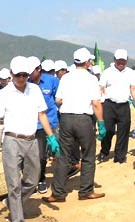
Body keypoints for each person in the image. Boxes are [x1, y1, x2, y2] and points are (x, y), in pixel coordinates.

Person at [0, 56, 60, 222]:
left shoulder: (35, 90)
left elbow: (42, 114)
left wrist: (51, 137)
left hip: (31, 140)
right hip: (11, 140)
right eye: (18, 75)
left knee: (32, 181)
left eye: (25, 75)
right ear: (11, 75)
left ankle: (11, 202)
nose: (22, 79)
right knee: (14, 183)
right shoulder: (3, 94)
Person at [45, 47, 106, 203]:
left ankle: (58, 193)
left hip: (66, 118)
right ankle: (85, 191)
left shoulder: (65, 78)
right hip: (83, 119)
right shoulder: (91, 79)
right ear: (86, 62)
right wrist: (101, 123)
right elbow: (96, 104)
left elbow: (58, 100)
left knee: (64, 156)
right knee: (88, 155)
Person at [27, 56, 60, 194]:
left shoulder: (52, 81)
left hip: (46, 124)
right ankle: (30, 180)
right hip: (28, 124)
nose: (28, 74)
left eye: (31, 71)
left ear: (39, 69)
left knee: (41, 155)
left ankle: (41, 180)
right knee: (29, 156)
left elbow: (59, 99)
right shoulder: (25, 83)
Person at [98, 49, 134, 164]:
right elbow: (101, 88)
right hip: (109, 105)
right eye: (119, 60)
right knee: (108, 130)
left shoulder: (130, 73)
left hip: (124, 105)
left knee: (123, 131)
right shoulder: (107, 72)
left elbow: (133, 89)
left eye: (123, 60)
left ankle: (120, 156)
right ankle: (104, 151)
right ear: (114, 59)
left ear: (126, 60)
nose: (121, 63)